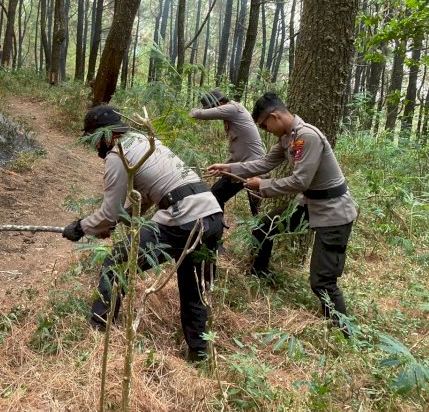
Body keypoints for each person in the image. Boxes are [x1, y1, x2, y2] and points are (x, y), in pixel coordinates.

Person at [62, 105, 225, 362]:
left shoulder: (119, 155)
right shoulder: (145, 141)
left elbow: (108, 212)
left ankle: (98, 328)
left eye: (94, 140)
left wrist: (81, 227)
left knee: (117, 260)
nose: (95, 148)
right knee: (194, 290)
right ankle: (199, 354)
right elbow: (149, 194)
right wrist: (118, 222)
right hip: (211, 215)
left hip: (183, 218)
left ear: (106, 136)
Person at [207, 92, 357, 334]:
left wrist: (263, 186)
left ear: (275, 117)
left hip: (333, 212)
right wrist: (229, 167)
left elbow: (300, 180)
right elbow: (264, 164)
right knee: (264, 227)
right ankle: (260, 274)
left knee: (322, 282)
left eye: (265, 125)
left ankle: (344, 331)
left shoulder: (307, 136)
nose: (266, 130)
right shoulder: (288, 138)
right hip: (309, 205)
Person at [190, 89, 266, 215]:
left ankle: (261, 233)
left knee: (257, 210)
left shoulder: (232, 109)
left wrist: (193, 111)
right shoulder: (231, 116)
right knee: (216, 194)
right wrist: (225, 168)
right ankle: (217, 229)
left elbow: (199, 114)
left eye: (212, 108)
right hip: (241, 166)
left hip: (255, 167)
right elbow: (240, 151)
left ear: (219, 104)